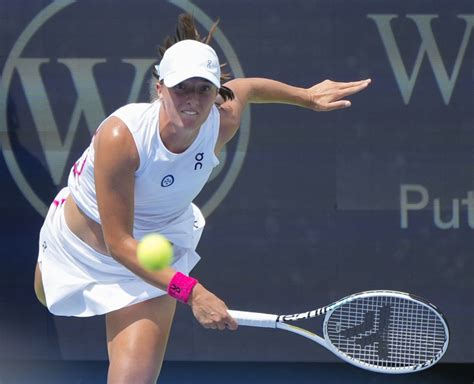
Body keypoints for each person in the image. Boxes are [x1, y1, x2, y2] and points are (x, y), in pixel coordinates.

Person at [33, 13, 371, 384]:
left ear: (214, 91)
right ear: (160, 87)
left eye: (204, 89)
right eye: (181, 88)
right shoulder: (122, 137)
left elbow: (247, 88)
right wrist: (193, 293)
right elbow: (119, 243)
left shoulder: (222, 120)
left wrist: (305, 97)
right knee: (43, 296)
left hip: (156, 251)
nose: (193, 101)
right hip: (80, 248)